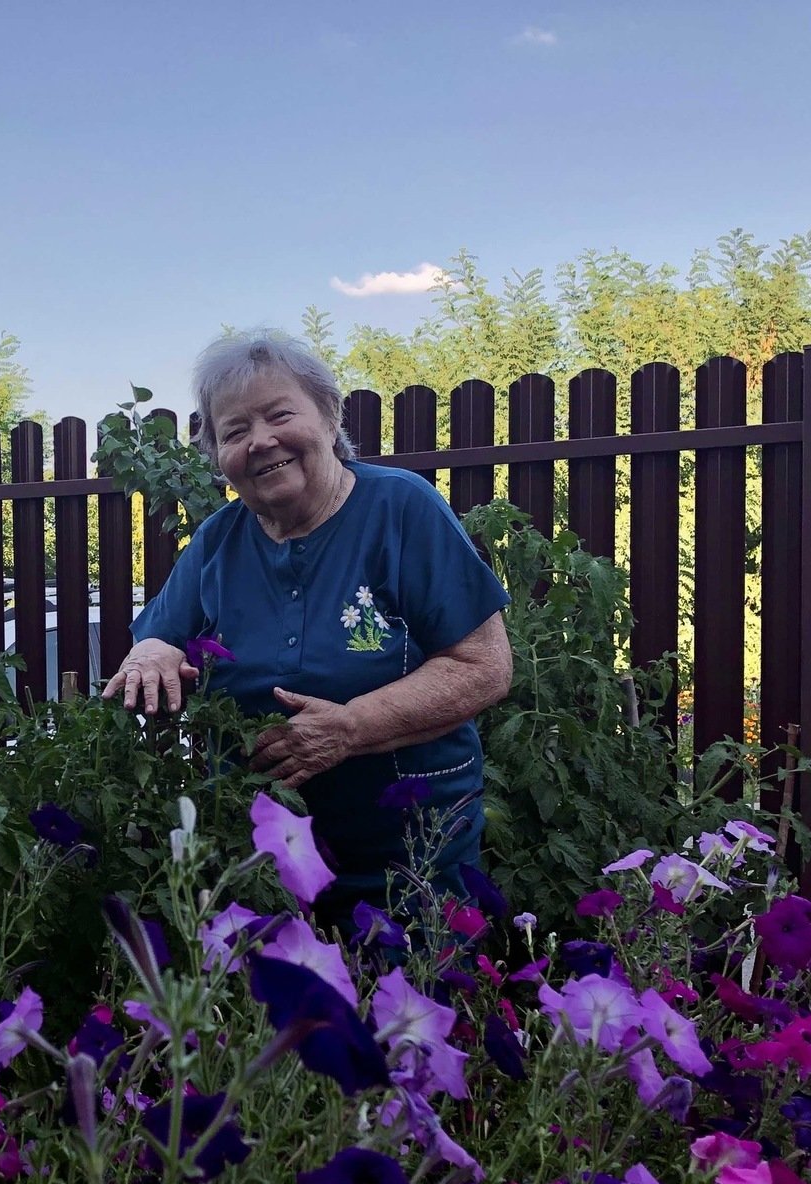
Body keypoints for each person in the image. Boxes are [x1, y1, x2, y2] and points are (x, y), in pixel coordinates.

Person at [101, 330, 512, 924]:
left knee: (413, 983)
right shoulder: (219, 539)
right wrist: (152, 654)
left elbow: (484, 666)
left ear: (329, 415)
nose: (260, 441)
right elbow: (159, 635)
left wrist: (351, 726)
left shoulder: (401, 509)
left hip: (409, 856)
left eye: (279, 415)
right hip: (261, 865)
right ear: (218, 457)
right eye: (234, 431)